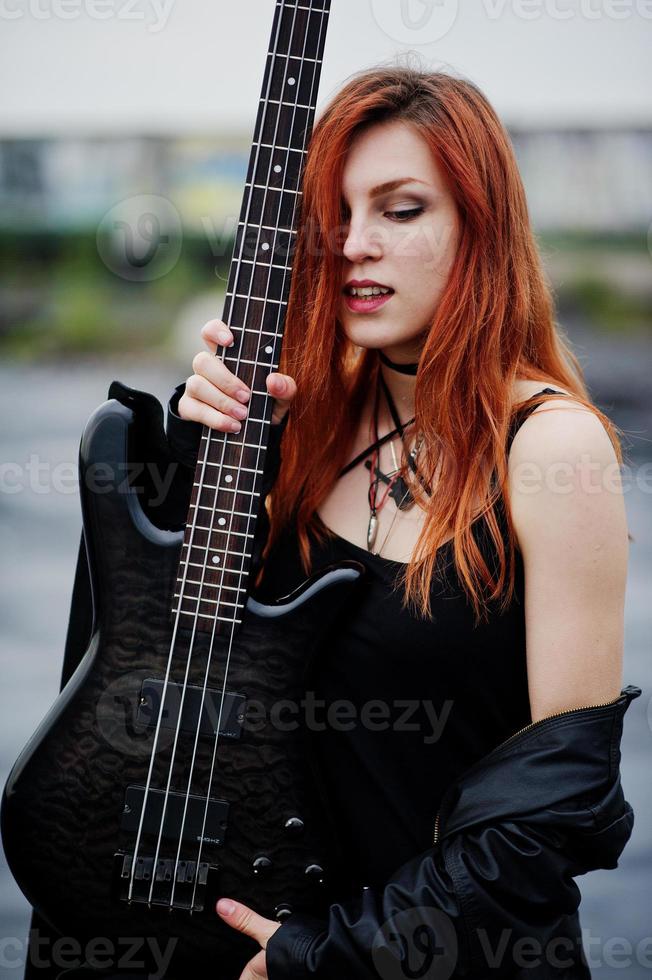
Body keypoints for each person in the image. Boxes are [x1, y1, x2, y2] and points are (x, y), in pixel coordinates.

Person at [166, 67, 638, 979]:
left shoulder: (552, 447)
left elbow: (557, 809)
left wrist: (331, 957)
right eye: (336, 214)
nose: (353, 245)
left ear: (481, 228)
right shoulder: (298, 423)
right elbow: (176, 677)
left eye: (401, 210)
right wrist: (192, 453)